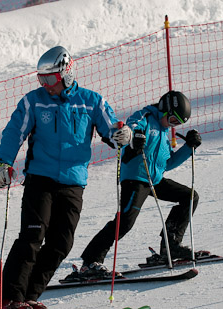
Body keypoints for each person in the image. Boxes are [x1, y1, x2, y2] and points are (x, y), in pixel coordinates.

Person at [0, 46, 132, 309]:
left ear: (66, 73)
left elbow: (112, 132)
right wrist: (3, 163)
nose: (45, 85)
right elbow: (14, 132)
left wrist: (122, 134)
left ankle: (28, 298)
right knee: (31, 238)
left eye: (49, 79)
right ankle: (6, 302)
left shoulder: (91, 101)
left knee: (61, 243)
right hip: (40, 179)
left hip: (73, 183)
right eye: (41, 79)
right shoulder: (33, 102)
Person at [69, 90, 202, 280]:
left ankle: (170, 247)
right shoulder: (145, 117)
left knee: (189, 197)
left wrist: (189, 147)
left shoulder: (164, 132)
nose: (173, 126)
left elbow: (168, 163)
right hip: (136, 178)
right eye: (173, 120)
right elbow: (130, 129)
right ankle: (90, 262)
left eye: (178, 124)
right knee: (125, 221)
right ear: (164, 109)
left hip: (154, 179)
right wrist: (135, 137)